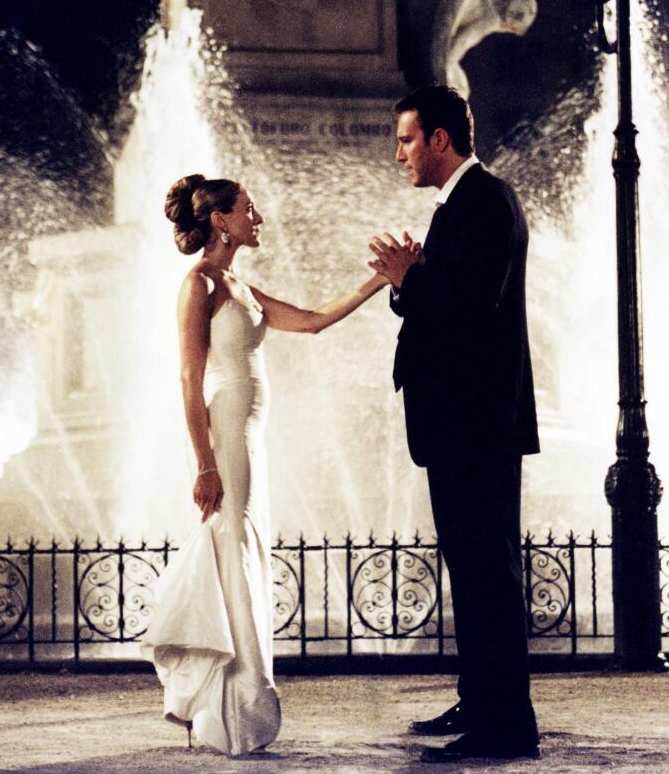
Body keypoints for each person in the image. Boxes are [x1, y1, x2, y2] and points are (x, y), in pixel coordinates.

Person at [140, 174, 387, 757]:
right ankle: (235, 706)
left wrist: (381, 280)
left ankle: (226, 701)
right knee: (234, 548)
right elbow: (189, 377)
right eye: (249, 209)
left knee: (243, 553)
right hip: (225, 436)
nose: (259, 218)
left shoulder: (239, 285)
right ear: (221, 219)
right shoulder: (199, 283)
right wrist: (204, 463)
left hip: (250, 438)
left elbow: (313, 319)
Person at [368, 85, 541, 763]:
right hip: (461, 423)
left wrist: (410, 278)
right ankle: (481, 697)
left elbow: (473, 305)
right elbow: (444, 302)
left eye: (407, 139)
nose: (399, 153)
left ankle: (507, 725)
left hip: (479, 425)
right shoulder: (459, 205)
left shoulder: (487, 200)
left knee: (486, 573)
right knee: (470, 568)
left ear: (441, 139)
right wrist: (408, 280)